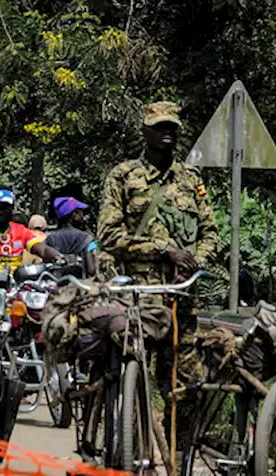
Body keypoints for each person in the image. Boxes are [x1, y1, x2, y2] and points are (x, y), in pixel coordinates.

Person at [99, 101, 217, 452]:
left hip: (181, 297)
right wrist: (162, 250)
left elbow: (211, 231)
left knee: (189, 382)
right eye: (160, 126)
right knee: (129, 372)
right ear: (146, 131)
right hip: (137, 297)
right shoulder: (123, 176)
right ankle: (125, 443)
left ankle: (176, 453)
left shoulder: (190, 179)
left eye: (173, 128)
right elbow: (109, 236)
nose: (168, 133)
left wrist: (195, 259)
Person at [0, 188, 61, 275]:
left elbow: (43, 250)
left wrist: (60, 257)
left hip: (14, 287)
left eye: (5, 207)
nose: (1, 211)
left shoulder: (21, 231)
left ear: (12, 207)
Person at [46, 196, 100, 276]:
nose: (83, 216)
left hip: (58, 284)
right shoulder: (88, 239)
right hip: (80, 285)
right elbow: (91, 269)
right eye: (81, 212)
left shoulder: (50, 238)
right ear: (75, 215)